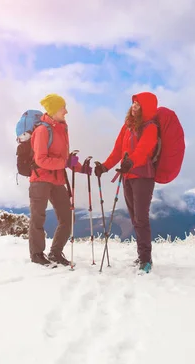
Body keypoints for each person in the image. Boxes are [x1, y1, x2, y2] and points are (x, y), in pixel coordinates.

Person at [95, 92, 159, 272]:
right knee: (134, 218)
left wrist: (130, 162)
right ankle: (141, 257)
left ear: (145, 107)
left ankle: (146, 260)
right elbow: (117, 151)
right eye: (133, 104)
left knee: (141, 218)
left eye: (138, 105)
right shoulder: (127, 126)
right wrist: (105, 167)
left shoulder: (151, 127)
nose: (133, 107)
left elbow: (143, 150)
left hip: (143, 176)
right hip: (128, 177)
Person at [28, 93, 91, 267]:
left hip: (57, 180)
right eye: (63, 108)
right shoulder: (42, 130)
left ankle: (55, 253)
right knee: (38, 218)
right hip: (40, 179)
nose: (66, 111)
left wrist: (81, 168)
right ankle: (36, 255)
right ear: (54, 110)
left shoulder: (61, 128)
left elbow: (65, 158)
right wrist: (65, 163)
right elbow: (41, 159)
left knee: (67, 217)